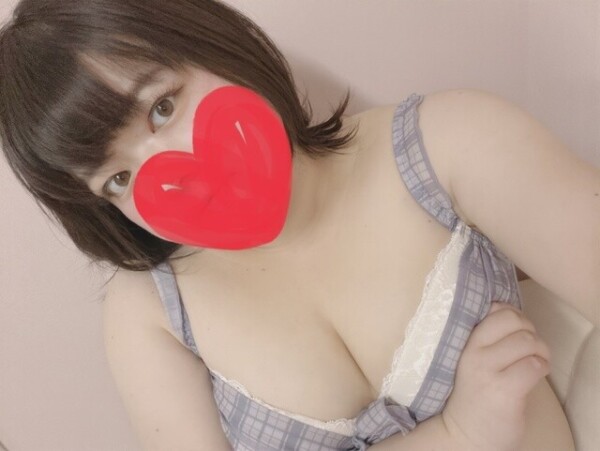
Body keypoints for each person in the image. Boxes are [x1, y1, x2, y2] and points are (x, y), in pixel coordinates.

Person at [0, 1, 596, 450]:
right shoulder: (149, 314)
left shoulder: (448, 143)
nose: (173, 180)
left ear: (213, 45)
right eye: (118, 179)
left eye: (163, 106)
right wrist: (460, 434)